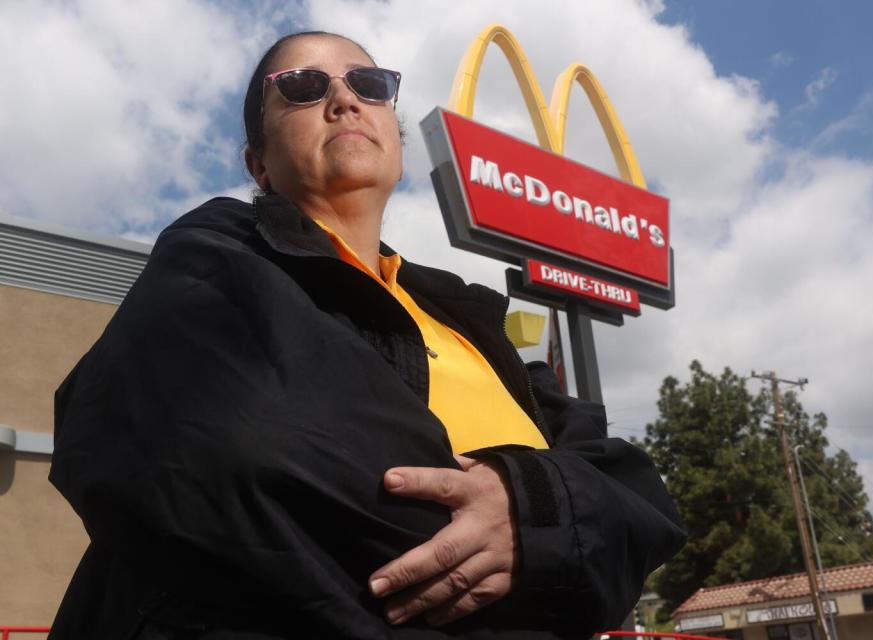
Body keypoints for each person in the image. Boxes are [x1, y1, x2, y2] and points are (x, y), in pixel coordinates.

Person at [49, 31, 685, 639]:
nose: (344, 98)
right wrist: (551, 545)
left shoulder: (470, 320)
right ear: (258, 164)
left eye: (370, 83)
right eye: (300, 85)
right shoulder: (209, 260)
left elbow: (638, 498)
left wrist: (527, 509)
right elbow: (238, 463)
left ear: (399, 146)